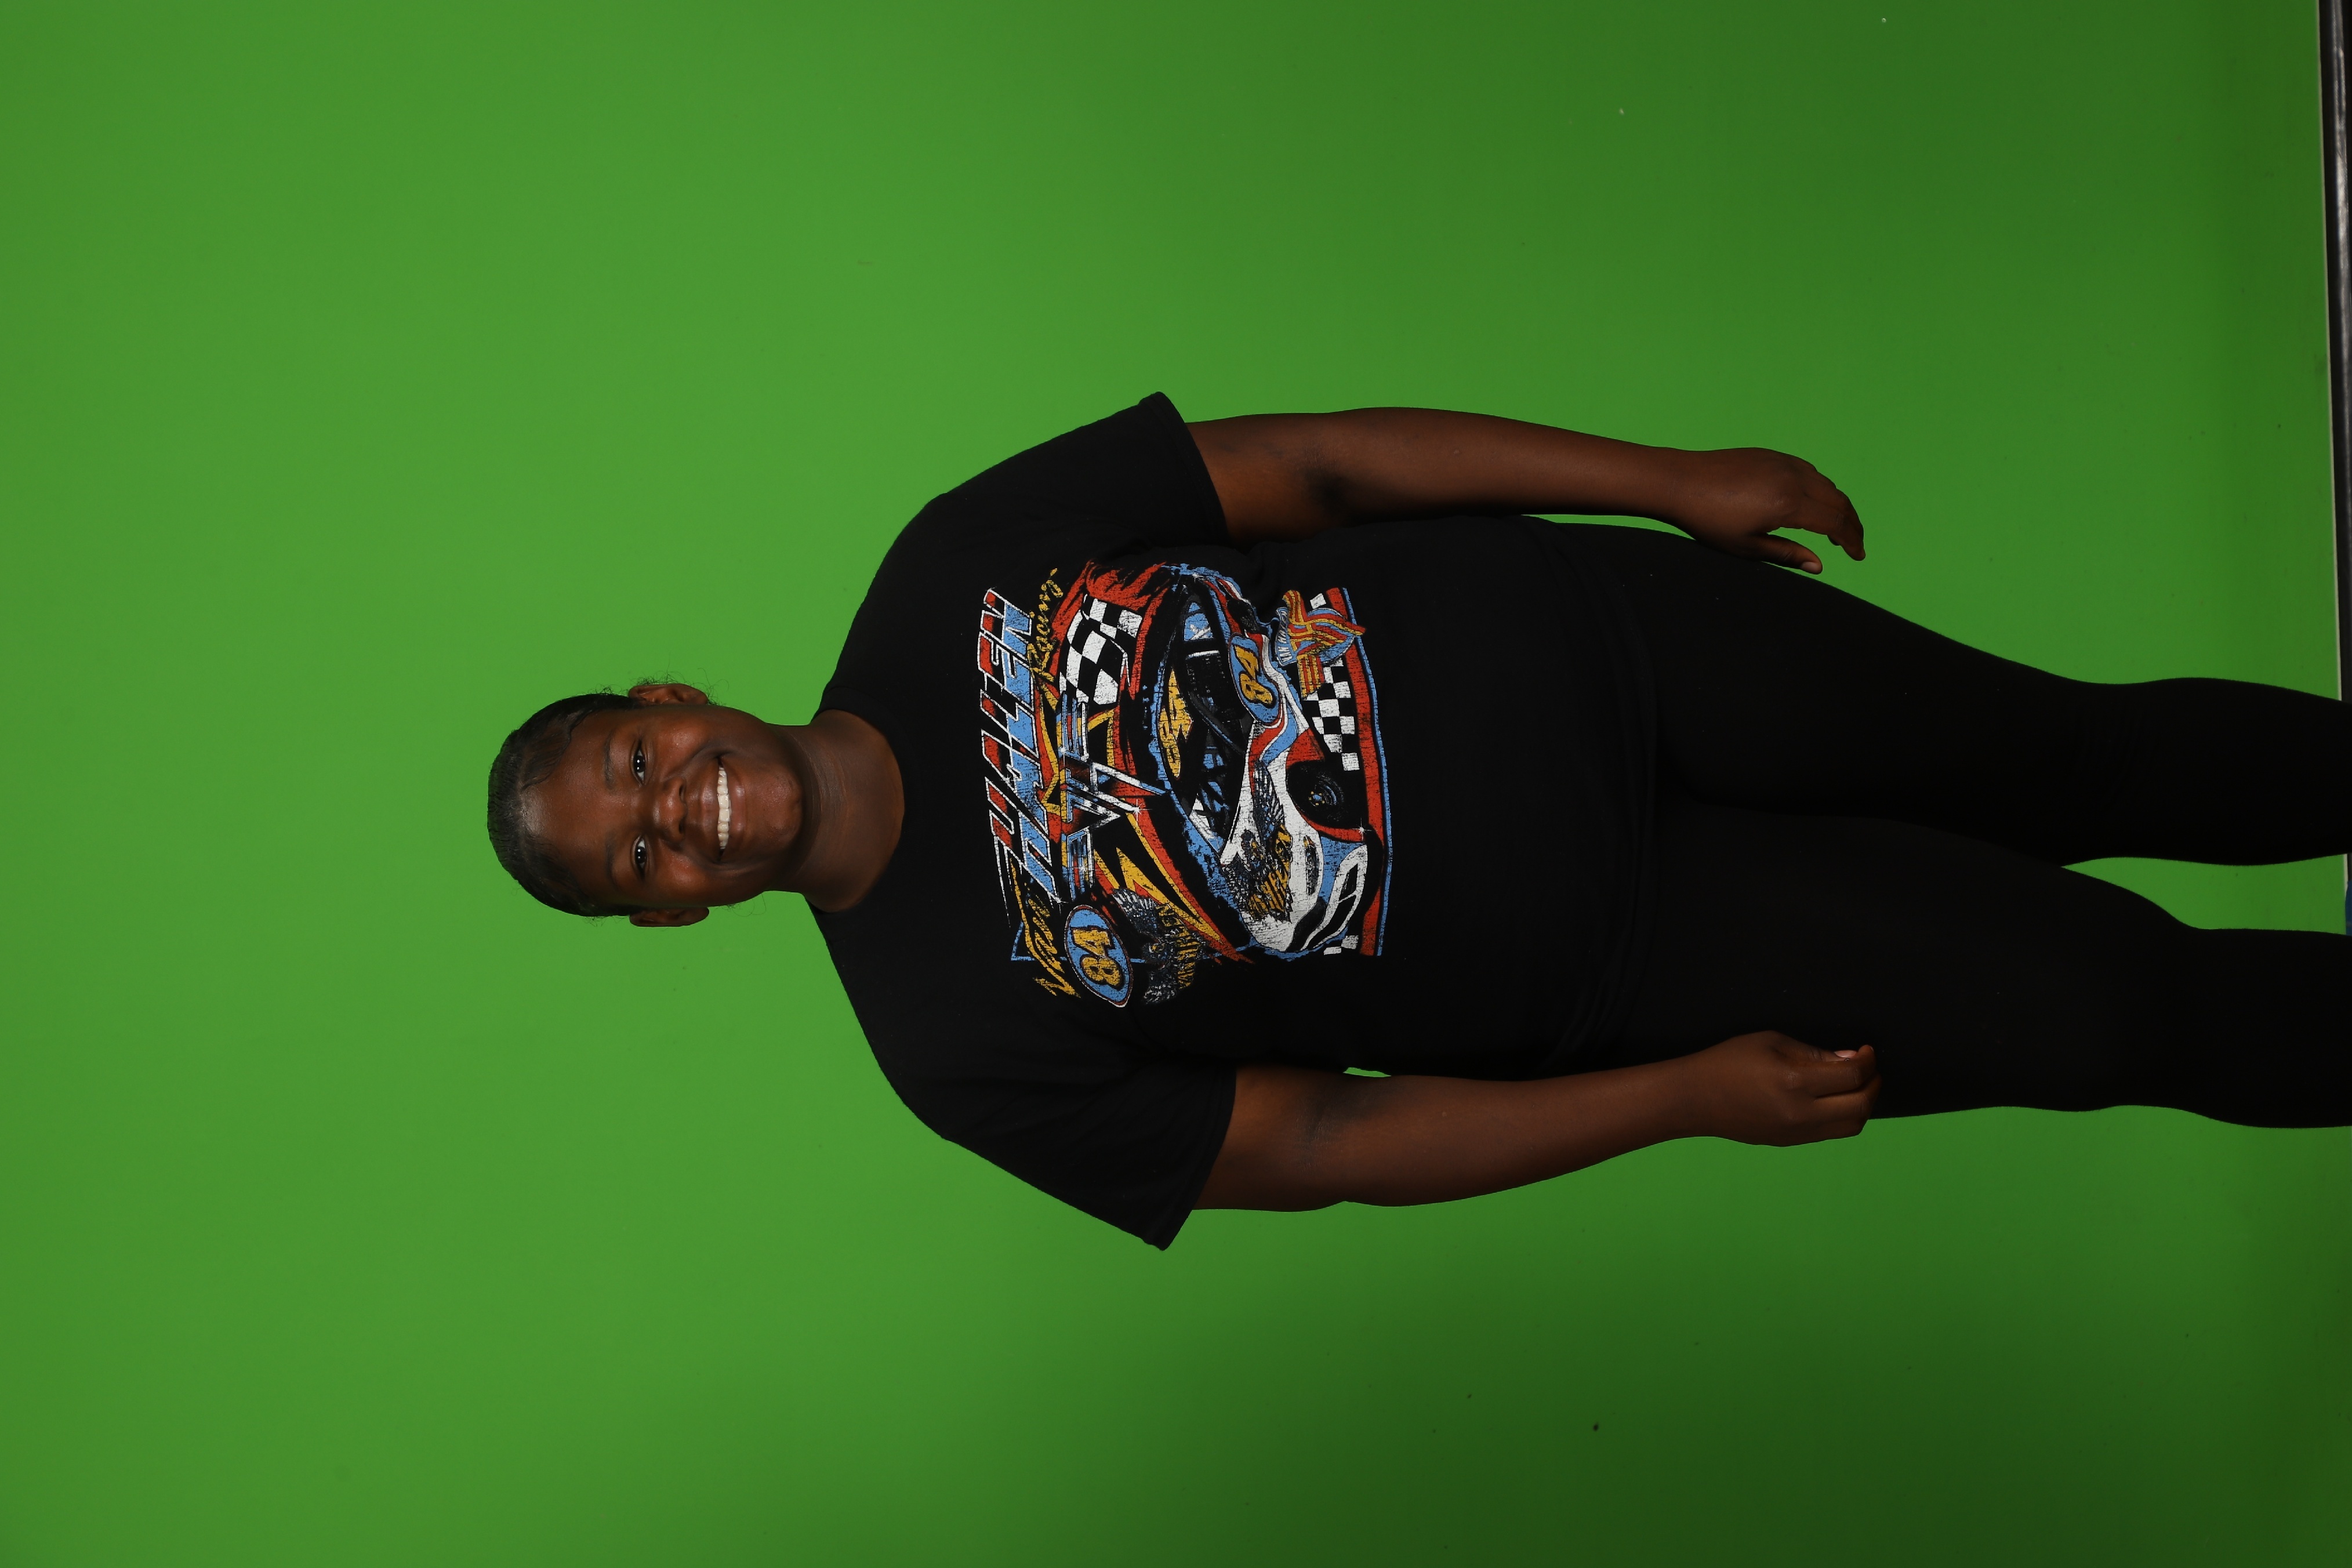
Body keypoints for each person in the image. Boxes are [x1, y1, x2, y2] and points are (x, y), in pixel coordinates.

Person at [485, 395, 2352, 1248]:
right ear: (670, 917)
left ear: (670, 697)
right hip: (1639, 954)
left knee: (2080, 759)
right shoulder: (947, 1047)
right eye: (638, 855)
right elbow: (1326, 1142)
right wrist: (1676, 1099)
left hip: (1630, 647)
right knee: (2113, 1011)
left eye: (638, 765)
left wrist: (1662, 480)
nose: (676, 813)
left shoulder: (946, 566)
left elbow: (1316, 465)